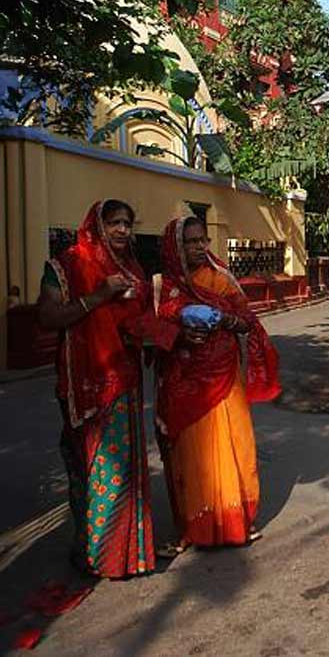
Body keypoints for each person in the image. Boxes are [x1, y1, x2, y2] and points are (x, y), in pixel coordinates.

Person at [36, 200, 165, 577]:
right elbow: (46, 317)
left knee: (124, 470)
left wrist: (159, 336)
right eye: (115, 223)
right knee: (94, 469)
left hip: (125, 381)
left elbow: (139, 320)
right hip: (86, 384)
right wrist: (99, 295)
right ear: (98, 226)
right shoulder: (68, 265)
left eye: (127, 222)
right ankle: (95, 554)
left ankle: (127, 555)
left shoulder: (133, 268)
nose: (123, 230)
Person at [154, 216, 281, 555]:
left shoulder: (221, 278)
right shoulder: (161, 287)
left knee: (233, 446)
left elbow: (247, 323)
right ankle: (194, 528)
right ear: (174, 247)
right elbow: (150, 331)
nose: (198, 247)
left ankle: (236, 523)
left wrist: (222, 319)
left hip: (224, 377)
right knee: (191, 454)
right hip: (183, 380)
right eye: (190, 242)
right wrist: (181, 332)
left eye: (202, 241)